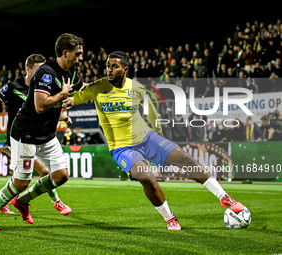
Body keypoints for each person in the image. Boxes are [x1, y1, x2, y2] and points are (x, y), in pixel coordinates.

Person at [63, 51, 244, 231]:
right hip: (121, 148)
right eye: (107, 66)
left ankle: (224, 196)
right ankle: (170, 218)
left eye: (114, 66)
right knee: (147, 177)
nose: (109, 70)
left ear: (125, 69)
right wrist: (67, 102)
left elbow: (151, 110)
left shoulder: (137, 88)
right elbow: (75, 98)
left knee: (185, 159)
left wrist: (158, 133)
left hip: (147, 138)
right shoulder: (97, 87)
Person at [0, 33, 84, 232]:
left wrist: (102, 89)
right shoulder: (46, 73)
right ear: (65, 52)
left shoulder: (70, 74)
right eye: (77, 54)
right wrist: (61, 95)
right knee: (21, 181)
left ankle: (23, 201)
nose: (81, 58)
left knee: (61, 175)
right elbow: (40, 106)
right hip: (25, 133)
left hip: (46, 134)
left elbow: (83, 89)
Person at [0, 54, 72, 217]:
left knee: (21, 178)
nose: (43, 72)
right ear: (28, 69)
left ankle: (6, 203)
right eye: (39, 69)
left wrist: (61, 116)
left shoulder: (42, 88)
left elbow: (41, 111)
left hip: (35, 137)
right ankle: (55, 202)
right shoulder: (14, 86)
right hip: (20, 137)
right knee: (40, 173)